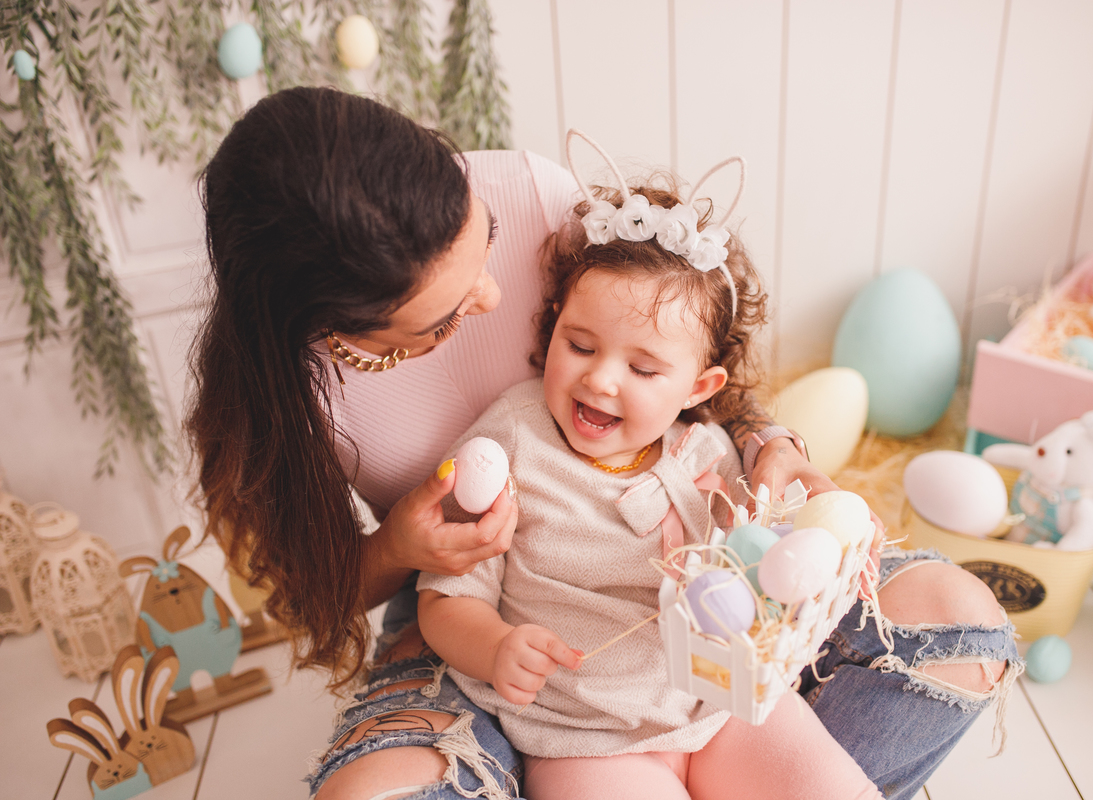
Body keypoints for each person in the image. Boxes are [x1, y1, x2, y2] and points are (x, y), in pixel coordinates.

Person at [186, 87, 1019, 800]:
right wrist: (407, 547)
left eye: (486, 238)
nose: (496, 293)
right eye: (440, 318)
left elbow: (694, 351)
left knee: (953, 641)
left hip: (708, 692)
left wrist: (782, 473)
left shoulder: (687, 428)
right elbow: (335, 599)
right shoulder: (488, 433)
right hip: (559, 700)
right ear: (341, 335)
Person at [417, 133, 885, 800]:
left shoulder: (708, 452)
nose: (602, 380)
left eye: (643, 368)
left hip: (721, 709)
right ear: (553, 326)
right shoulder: (513, 441)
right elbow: (443, 595)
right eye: (579, 345)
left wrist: (825, 551)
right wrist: (493, 646)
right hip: (587, 738)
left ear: (698, 388)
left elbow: (768, 556)